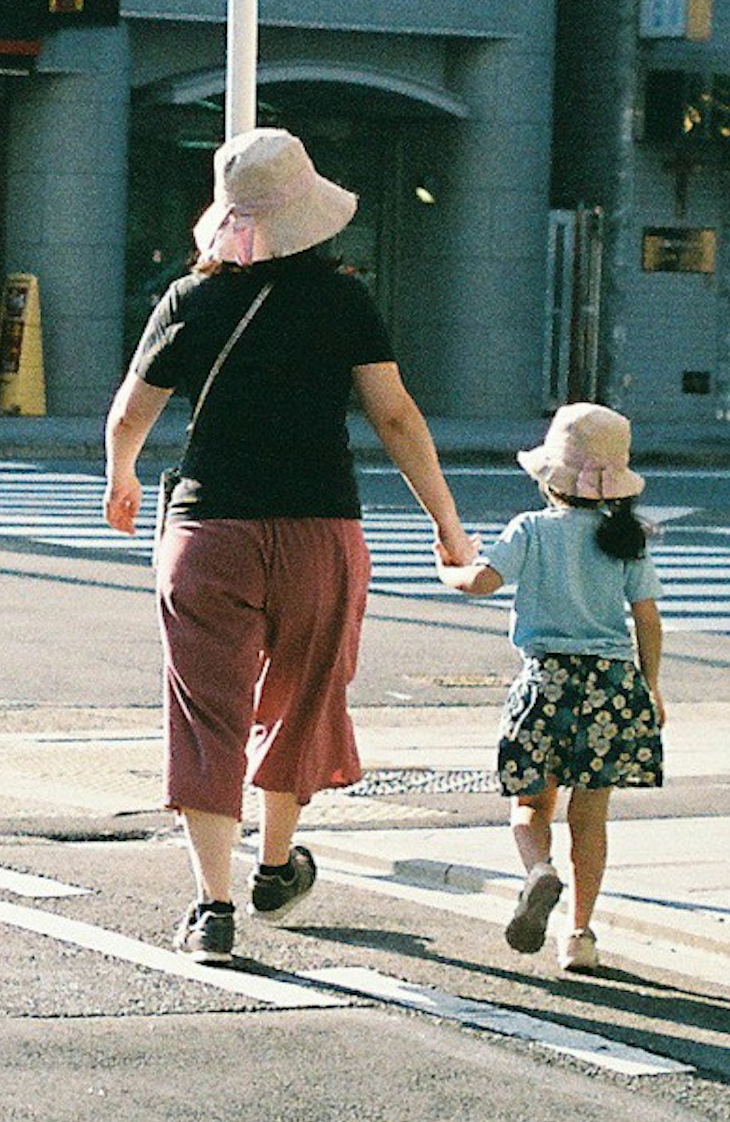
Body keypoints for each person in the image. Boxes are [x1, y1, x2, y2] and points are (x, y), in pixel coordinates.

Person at [105, 128, 479, 965]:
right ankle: (276, 866)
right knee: (304, 696)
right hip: (320, 531)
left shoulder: (189, 301)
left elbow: (131, 410)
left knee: (207, 716)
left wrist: (120, 476)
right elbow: (396, 418)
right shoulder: (344, 298)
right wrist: (446, 526)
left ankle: (213, 907)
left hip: (210, 534)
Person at [445, 403, 667, 971]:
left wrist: (450, 566)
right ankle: (581, 937)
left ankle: (539, 873)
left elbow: (481, 582)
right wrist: (653, 687)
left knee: (530, 804)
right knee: (590, 818)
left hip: (546, 681)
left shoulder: (531, 529)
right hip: (614, 688)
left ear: (551, 478)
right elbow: (647, 618)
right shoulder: (627, 539)